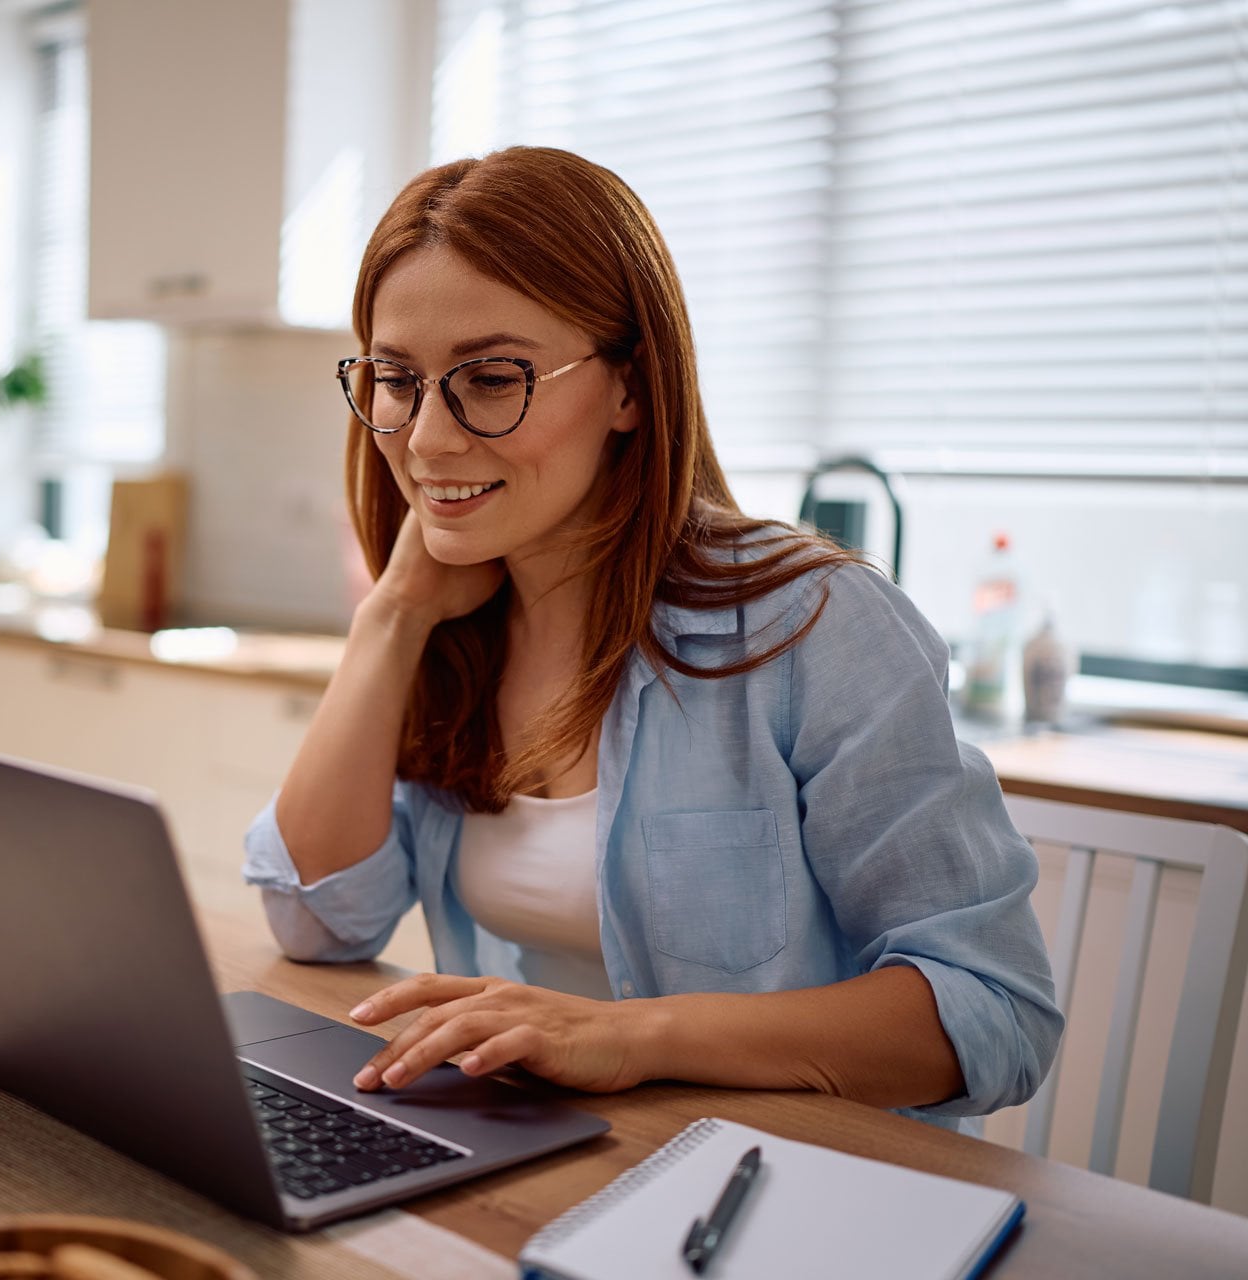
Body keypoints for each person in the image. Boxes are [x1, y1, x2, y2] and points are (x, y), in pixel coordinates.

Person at [242, 147, 1061, 1134]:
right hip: (544, 1157)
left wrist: (632, 1036)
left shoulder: (816, 625)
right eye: (396, 379)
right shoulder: (456, 628)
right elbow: (316, 921)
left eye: (492, 378)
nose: (426, 439)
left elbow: (994, 1008)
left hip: (787, 1185)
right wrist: (393, 615)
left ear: (629, 387)